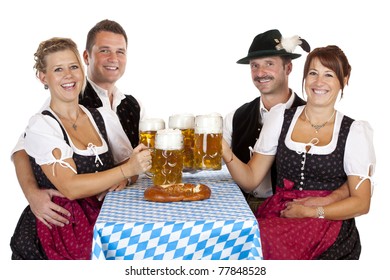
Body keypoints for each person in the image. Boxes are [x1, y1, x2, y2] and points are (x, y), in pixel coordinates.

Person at [222, 45, 375, 259]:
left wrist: (313, 212)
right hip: (282, 213)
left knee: (252, 242)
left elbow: (361, 202)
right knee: (236, 238)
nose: (319, 82)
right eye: (313, 73)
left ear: (344, 79)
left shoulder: (354, 131)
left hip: (327, 226)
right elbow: (250, 180)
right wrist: (223, 149)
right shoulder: (281, 118)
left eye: (328, 74)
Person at [10, 37, 151, 260]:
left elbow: (130, 163)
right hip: (59, 231)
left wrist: (128, 175)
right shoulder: (42, 125)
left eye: (73, 66)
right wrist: (127, 170)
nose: (68, 75)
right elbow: (70, 188)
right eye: (58, 69)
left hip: (104, 220)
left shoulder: (101, 117)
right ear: (43, 77)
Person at [223, 29, 348, 213]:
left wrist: (323, 205)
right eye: (254, 66)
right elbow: (210, 160)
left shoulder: (313, 119)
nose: (261, 72)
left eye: (269, 64)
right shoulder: (235, 117)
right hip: (239, 207)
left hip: (287, 211)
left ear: (288, 68)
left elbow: (344, 179)